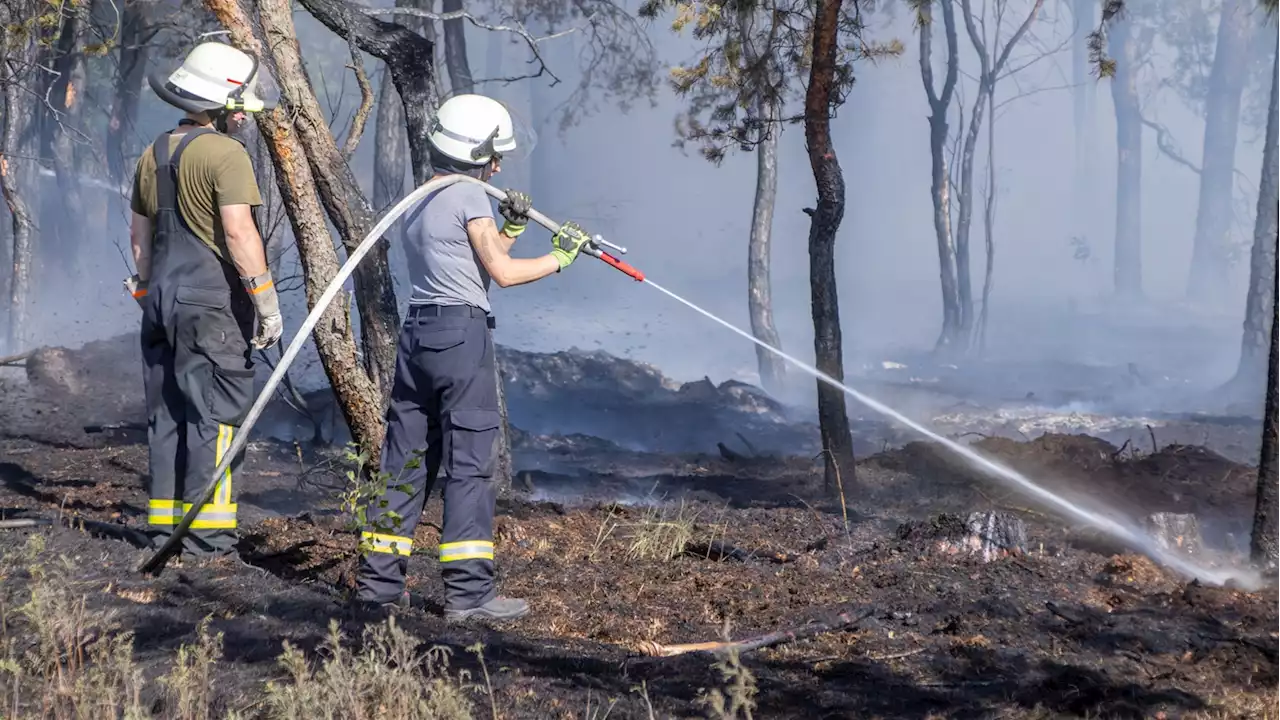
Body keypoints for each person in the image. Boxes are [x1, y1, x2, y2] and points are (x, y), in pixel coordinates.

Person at [354, 93, 591, 622]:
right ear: (477, 154)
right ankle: (469, 596)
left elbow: (477, 260)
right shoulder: (468, 197)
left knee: (405, 463)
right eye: (495, 155)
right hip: (460, 337)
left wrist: (508, 227)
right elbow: (503, 276)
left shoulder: (421, 199)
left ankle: (377, 587)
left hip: (417, 337)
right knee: (469, 465)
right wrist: (561, 256)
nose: (499, 165)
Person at [127, 42, 283, 559]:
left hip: (159, 304)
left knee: (167, 414)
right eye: (241, 107)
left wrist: (150, 293)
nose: (245, 118)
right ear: (224, 104)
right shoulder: (226, 154)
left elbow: (139, 239)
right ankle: (209, 542)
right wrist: (265, 301)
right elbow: (239, 233)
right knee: (214, 417)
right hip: (208, 307)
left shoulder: (154, 152)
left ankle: (164, 533)